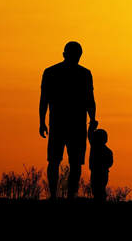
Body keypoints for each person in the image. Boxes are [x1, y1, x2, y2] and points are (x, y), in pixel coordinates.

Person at [39, 41, 96, 200]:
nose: (75, 58)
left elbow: (89, 99)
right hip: (61, 124)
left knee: (73, 162)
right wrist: (42, 121)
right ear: (65, 54)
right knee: (56, 160)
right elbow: (44, 99)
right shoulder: (52, 72)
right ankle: (55, 195)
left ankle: (68, 195)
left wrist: (92, 119)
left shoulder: (83, 74)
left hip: (73, 125)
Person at [88, 120, 113, 202]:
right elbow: (110, 163)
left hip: (100, 172)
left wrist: (91, 127)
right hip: (101, 172)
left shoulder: (95, 147)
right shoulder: (107, 150)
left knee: (98, 189)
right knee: (97, 189)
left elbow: (90, 135)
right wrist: (91, 127)